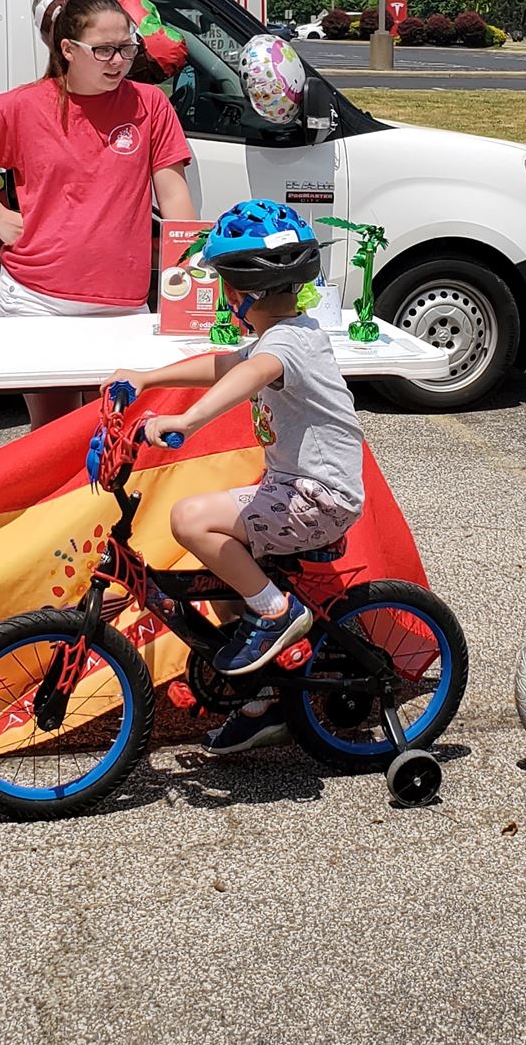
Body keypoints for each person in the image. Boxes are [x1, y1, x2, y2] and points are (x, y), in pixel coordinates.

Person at [109, 200, 366, 753]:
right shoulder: (284, 333)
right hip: (295, 489)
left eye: (225, 283)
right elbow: (225, 363)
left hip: (321, 497)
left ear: (238, 291)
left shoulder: (287, 345)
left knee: (191, 519)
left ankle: (279, 612)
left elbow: (249, 374)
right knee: (224, 580)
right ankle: (263, 699)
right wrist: (149, 379)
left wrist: (186, 419)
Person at [0, 0, 195, 427]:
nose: (118, 62)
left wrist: (187, 273)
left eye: (126, 49)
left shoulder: (151, 105)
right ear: (68, 49)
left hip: (122, 303)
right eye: (104, 50)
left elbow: (174, 197)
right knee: (51, 434)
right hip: (38, 299)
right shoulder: (23, 105)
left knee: (113, 428)